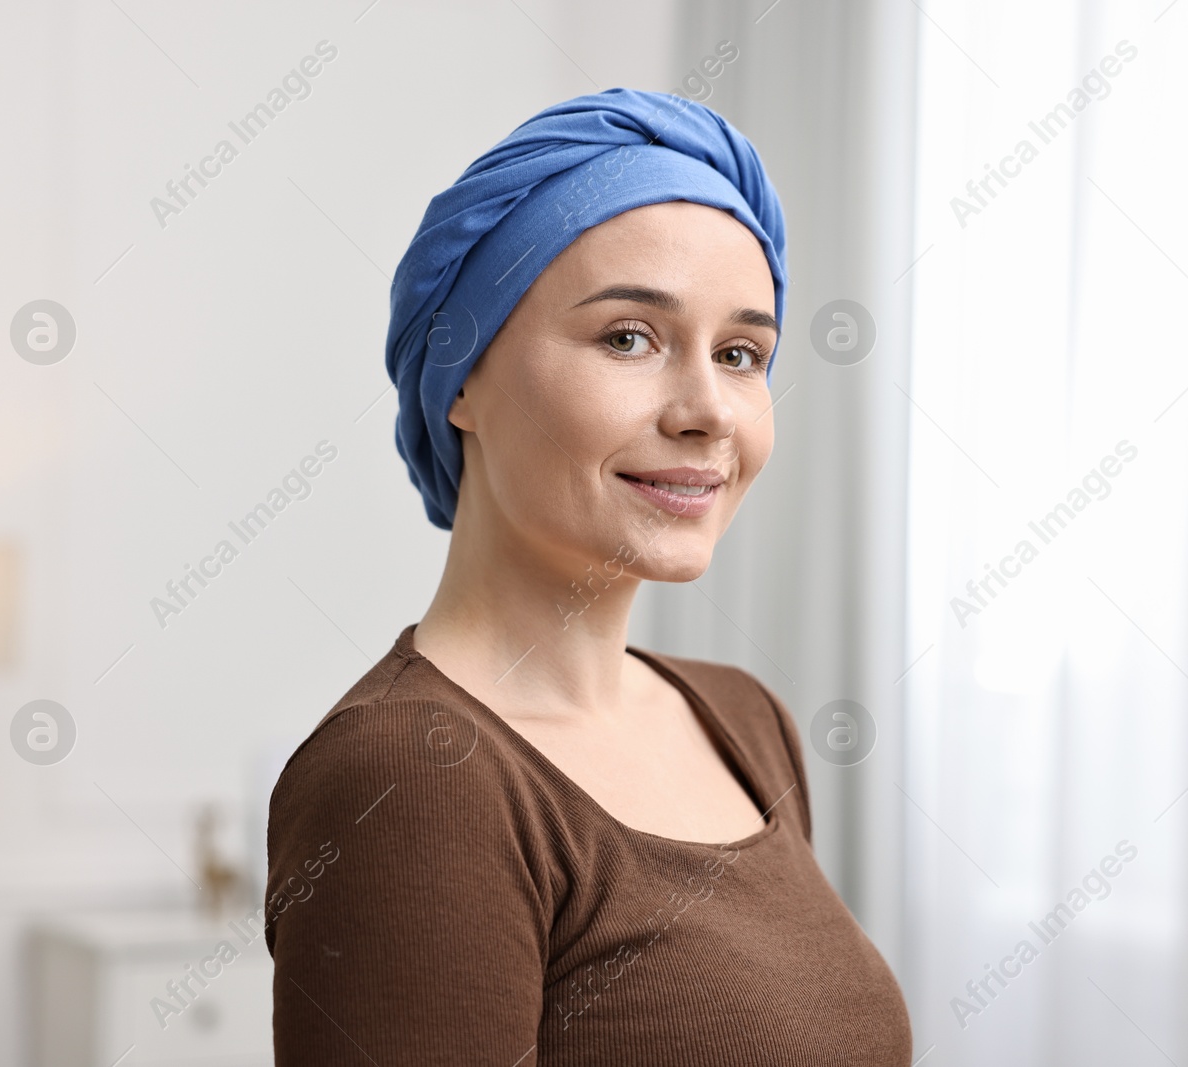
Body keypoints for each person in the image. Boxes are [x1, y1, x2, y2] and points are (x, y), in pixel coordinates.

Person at [264, 87, 912, 1065]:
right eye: (628, 337)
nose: (709, 411)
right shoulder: (407, 781)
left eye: (742, 353)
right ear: (463, 377)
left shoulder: (744, 722)